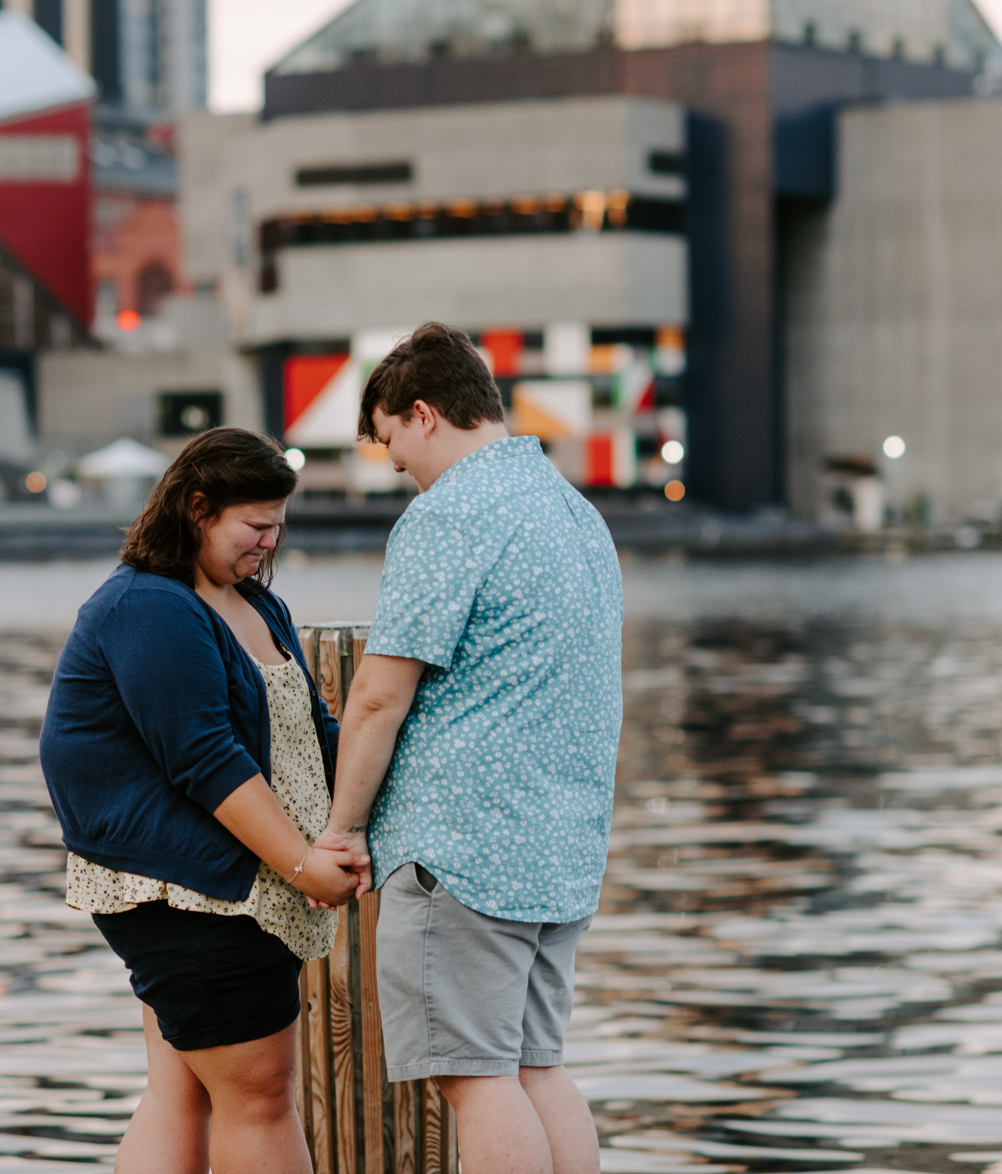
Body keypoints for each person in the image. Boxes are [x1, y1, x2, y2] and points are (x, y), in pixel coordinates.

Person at [319, 322, 624, 1174]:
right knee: (536, 1067)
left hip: (463, 848)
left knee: (474, 1077)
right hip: (561, 846)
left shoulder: (448, 515)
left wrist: (342, 829)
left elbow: (379, 693)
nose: (394, 465)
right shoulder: (574, 511)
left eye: (389, 440)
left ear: (423, 414)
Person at [39, 427, 368, 1174]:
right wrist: (303, 864)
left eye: (279, 525)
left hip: (225, 887)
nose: (269, 541)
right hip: (192, 892)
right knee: (259, 1097)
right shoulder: (151, 607)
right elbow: (205, 758)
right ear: (196, 508)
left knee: (181, 1089)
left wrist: (361, 815)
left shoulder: (252, 602)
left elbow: (311, 730)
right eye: (255, 525)